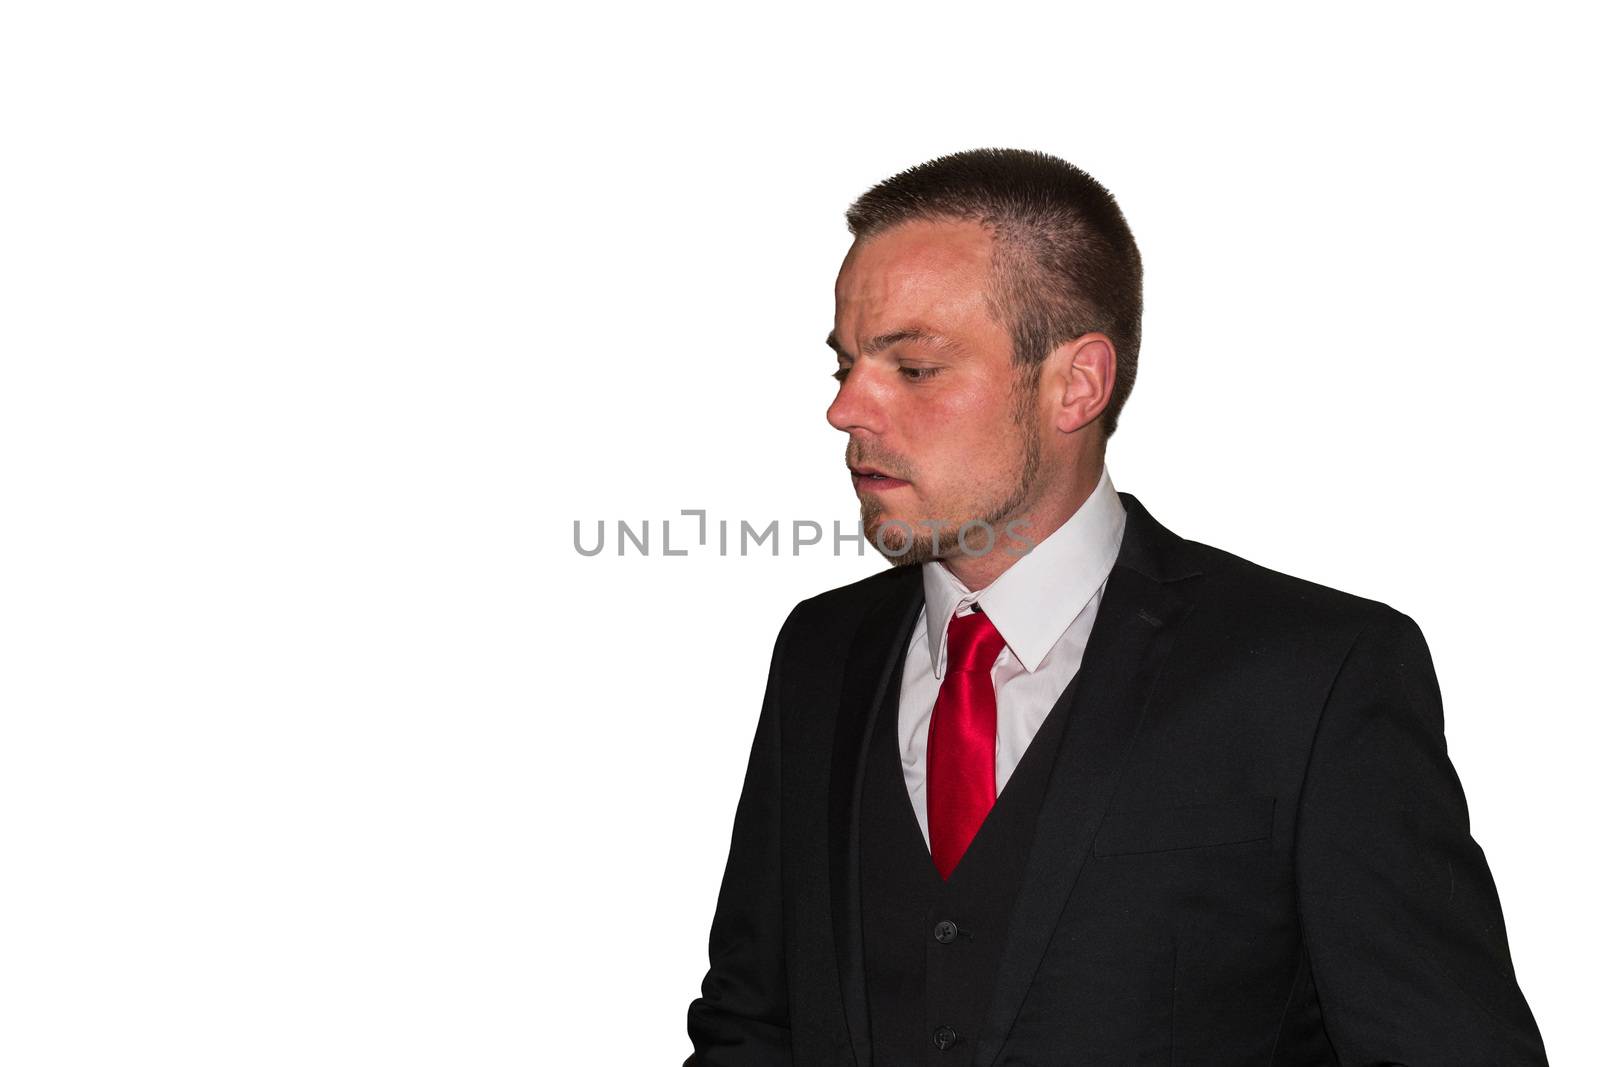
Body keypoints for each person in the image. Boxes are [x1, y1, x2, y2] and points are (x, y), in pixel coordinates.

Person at [683, 148, 1546, 1066]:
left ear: (1078, 384)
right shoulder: (820, 650)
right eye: (846, 365)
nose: (848, 408)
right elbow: (752, 1026)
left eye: (916, 367)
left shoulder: (1315, 676)